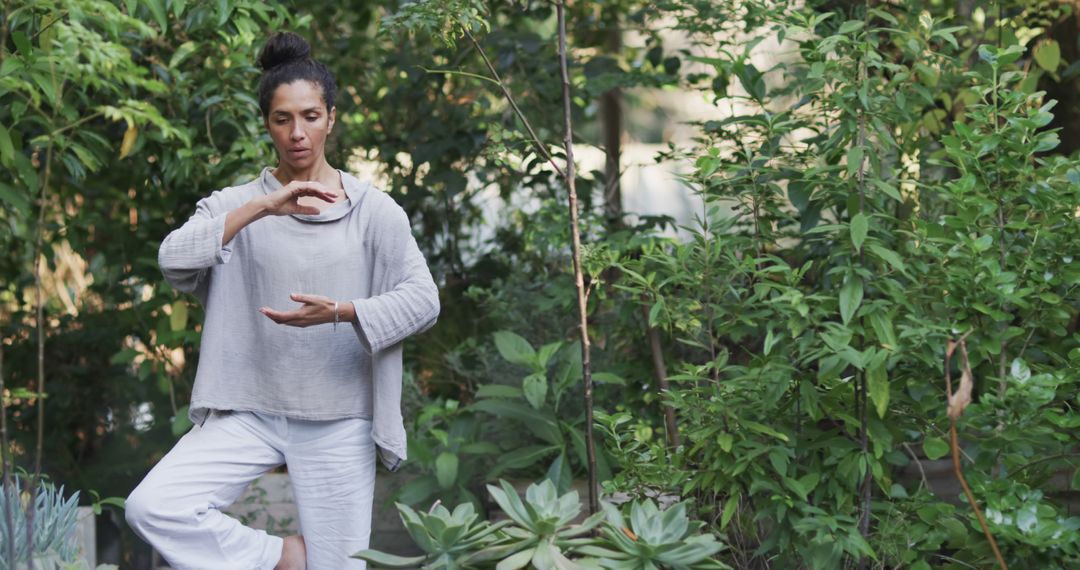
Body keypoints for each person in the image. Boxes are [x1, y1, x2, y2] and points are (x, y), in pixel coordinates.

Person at [124, 31, 440, 569]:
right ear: (267, 123)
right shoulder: (238, 204)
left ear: (332, 118)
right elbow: (173, 259)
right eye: (282, 119)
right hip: (250, 410)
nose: (298, 133)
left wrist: (343, 312)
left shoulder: (373, 211)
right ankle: (281, 558)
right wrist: (263, 206)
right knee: (154, 506)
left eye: (311, 116)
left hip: (340, 418)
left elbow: (423, 300)